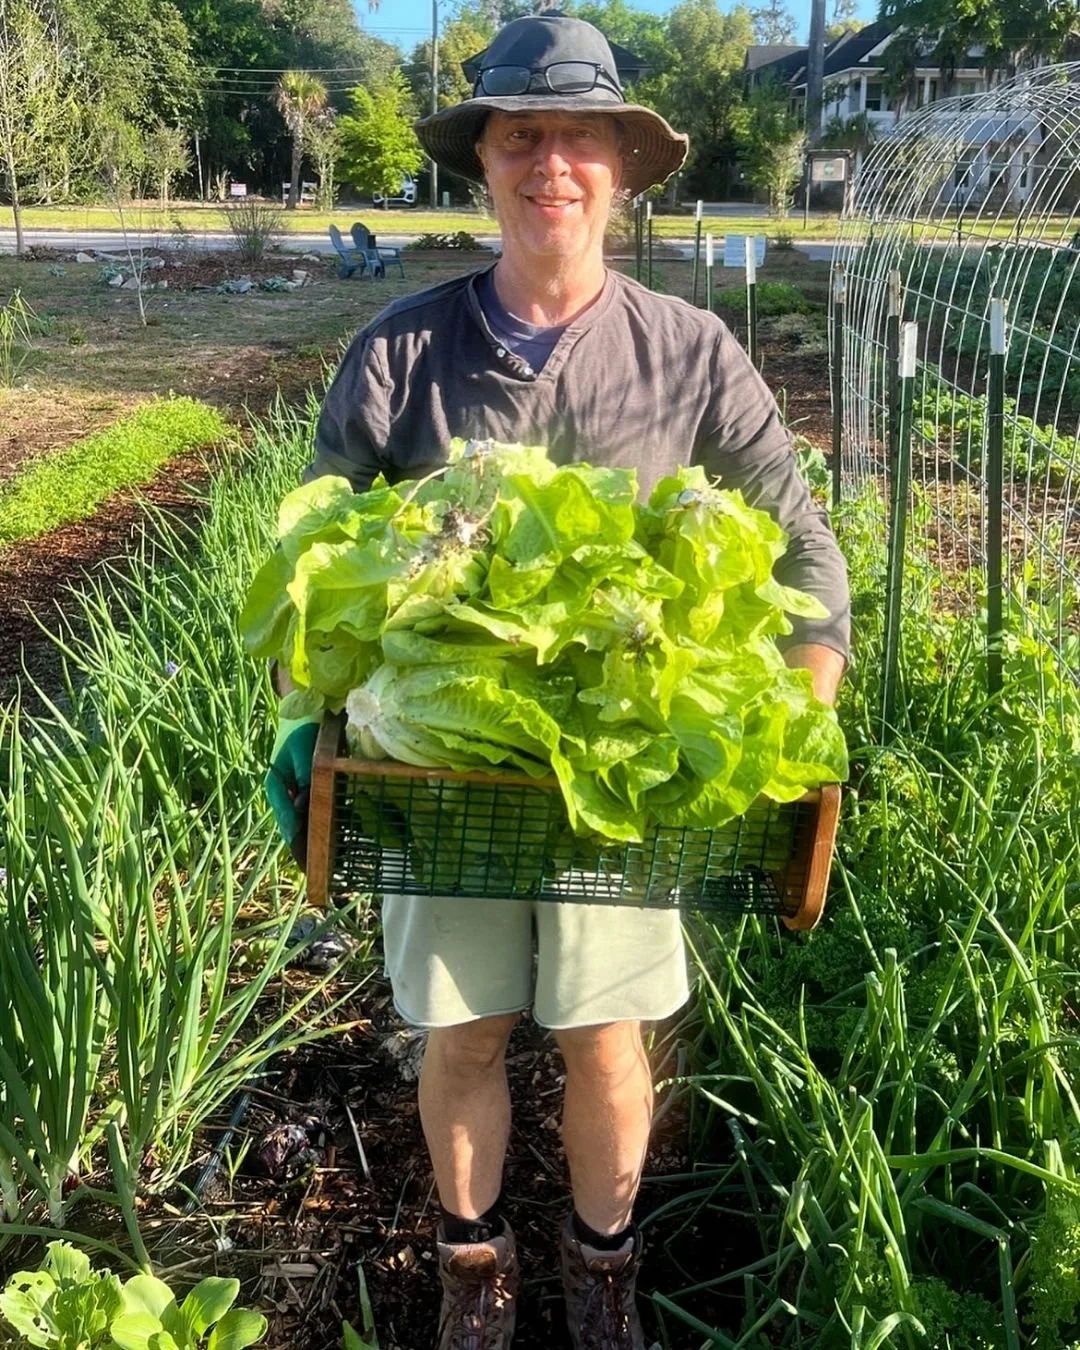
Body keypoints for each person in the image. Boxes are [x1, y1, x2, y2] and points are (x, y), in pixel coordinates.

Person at [267, 13, 850, 1349]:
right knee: (463, 1034)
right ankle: (474, 1273)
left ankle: (602, 1269)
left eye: (576, 137)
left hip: (620, 779)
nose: (550, 164)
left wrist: (804, 683)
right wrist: (312, 701)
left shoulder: (691, 350)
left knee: (605, 1035)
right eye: (520, 135)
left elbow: (803, 539)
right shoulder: (401, 353)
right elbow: (312, 542)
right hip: (442, 765)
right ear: (485, 160)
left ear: (621, 166)